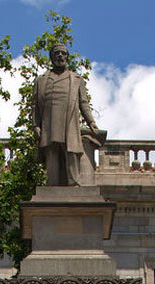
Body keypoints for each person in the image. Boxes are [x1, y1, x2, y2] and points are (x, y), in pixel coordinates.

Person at [32, 43, 99, 186]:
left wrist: (91, 122)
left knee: (71, 152)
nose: (60, 56)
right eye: (57, 53)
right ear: (51, 57)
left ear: (67, 57)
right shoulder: (40, 80)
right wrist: (36, 126)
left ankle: (73, 183)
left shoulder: (76, 79)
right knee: (52, 153)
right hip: (49, 123)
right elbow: (35, 106)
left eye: (63, 53)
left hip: (69, 122)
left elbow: (83, 103)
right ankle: (53, 186)